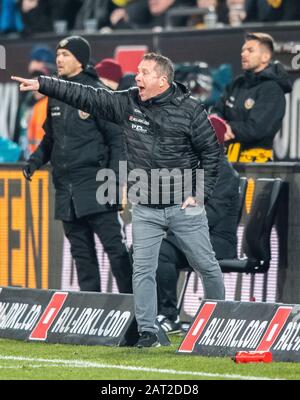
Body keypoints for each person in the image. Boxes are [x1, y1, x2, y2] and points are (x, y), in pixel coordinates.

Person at [12, 52, 225, 348]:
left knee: (206, 265)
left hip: (182, 204)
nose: (137, 77)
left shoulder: (190, 110)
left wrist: (200, 194)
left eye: (145, 73)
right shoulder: (128, 102)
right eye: (137, 72)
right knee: (142, 270)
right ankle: (148, 332)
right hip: (146, 207)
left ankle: (216, 324)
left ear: (162, 81)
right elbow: (85, 95)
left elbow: (212, 153)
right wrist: (44, 84)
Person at [17, 35, 133, 295]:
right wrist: (35, 160)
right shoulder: (56, 94)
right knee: (81, 254)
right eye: (58, 54)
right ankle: (89, 307)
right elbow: (51, 137)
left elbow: (118, 141)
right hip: (66, 189)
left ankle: (136, 306)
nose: (59, 59)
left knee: (116, 249)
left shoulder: (98, 92)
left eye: (65, 55)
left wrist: (115, 182)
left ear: (80, 60)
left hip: (96, 184)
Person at [156, 132, 240, 333]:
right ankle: (160, 314)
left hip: (218, 241)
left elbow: (210, 216)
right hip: (191, 235)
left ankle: (176, 316)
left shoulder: (224, 174)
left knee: (162, 249)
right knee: (150, 249)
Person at [211, 32, 292, 163]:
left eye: (250, 50)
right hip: (227, 161)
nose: (243, 54)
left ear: (265, 57)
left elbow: (257, 129)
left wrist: (227, 128)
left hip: (257, 165)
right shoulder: (236, 83)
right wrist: (217, 124)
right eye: (243, 50)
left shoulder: (272, 89)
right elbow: (217, 110)